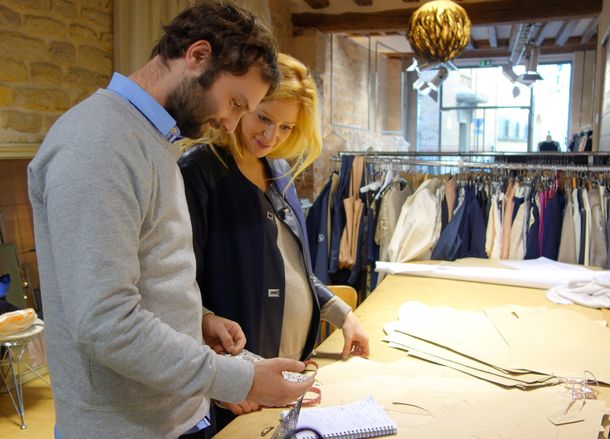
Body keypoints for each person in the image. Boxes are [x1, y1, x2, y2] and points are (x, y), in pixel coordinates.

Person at [27, 4, 314, 439]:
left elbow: (141, 273)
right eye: (235, 103)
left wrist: (195, 318)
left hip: (172, 415)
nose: (229, 122)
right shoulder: (101, 143)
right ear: (198, 56)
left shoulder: (151, 140)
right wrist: (242, 379)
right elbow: (105, 322)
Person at [178, 53, 370, 427]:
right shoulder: (200, 171)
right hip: (239, 381)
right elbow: (179, 288)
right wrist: (226, 375)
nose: (271, 136)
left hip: (287, 371)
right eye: (264, 118)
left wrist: (343, 314)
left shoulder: (279, 170)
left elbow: (292, 267)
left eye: (285, 127)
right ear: (242, 105)